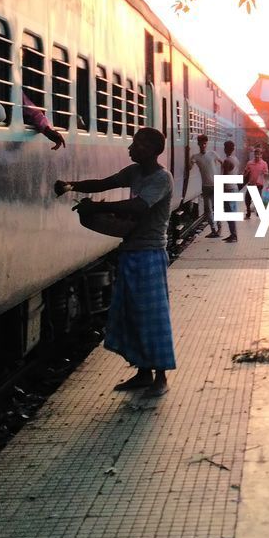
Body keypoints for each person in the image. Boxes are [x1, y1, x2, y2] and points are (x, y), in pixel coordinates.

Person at [54, 127, 174, 394]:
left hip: (150, 254)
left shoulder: (161, 178)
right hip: (132, 251)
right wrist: (71, 186)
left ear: (153, 150)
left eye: (137, 145)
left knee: (153, 318)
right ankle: (143, 373)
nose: (130, 149)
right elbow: (103, 183)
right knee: (132, 315)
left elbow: (138, 207)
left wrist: (96, 207)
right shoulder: (134, 173)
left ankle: (161, 378)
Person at [191, 134, 221, 237]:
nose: (203, 145)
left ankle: (219, 228)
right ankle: (213, 229)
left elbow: (222, 163)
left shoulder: (213, 154)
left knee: (216, 208)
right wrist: (190, 160)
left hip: (215, 184)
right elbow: (189, 167)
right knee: (208, 209)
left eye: (205, 143)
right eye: (201, 143)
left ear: (206, 144)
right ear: (198, 144)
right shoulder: (196, 157)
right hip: (205, 186)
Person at [221, 139, 241, 242]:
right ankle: (233, 234)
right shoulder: (235, 159)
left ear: (226, 149)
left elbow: (224, 176)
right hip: (234, 187)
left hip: (228, 188)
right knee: (231, 212)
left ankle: (233, 235)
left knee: (229, 213)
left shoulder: (227, 161)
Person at [243, 147, 269, 218]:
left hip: (259, 184)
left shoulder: (264, 163)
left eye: (258, 154)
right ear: (254, 155)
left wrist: (264, 173)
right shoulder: (250, 163)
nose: (257, 156)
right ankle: (248, 212)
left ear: (261, 155)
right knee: (247, 199)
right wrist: (246, 173)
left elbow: (267, 173)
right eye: (255, 154)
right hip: (251, 184)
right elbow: (245, 173)